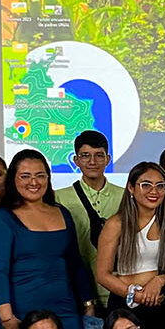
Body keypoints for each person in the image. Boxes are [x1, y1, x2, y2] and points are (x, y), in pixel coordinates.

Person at [0, 149, 96, 329]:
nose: (33, 182)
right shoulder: (2, 218)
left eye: (40, 175)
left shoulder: (61, 212)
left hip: (65, 310)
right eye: (25, 176)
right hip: (21, 314)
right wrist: (6, 316)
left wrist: (88, 303)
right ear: (13, 180)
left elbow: (75, 263)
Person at [95, 161, 165, 329]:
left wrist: (160, 280)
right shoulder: (116, 223)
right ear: (131, 187)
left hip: (162, 304)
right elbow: (103, 274)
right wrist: (136, 295)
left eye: (160, 186)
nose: (153, 191)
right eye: (146, 185)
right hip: (125, 305)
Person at [56, 130, 125, 310]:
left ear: (108, 159)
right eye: (85, 156)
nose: (92, 162)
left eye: (98, 156)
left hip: (118, 288)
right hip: (78, 290)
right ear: (76, 160)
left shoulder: (125, 196)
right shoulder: (59, 197)